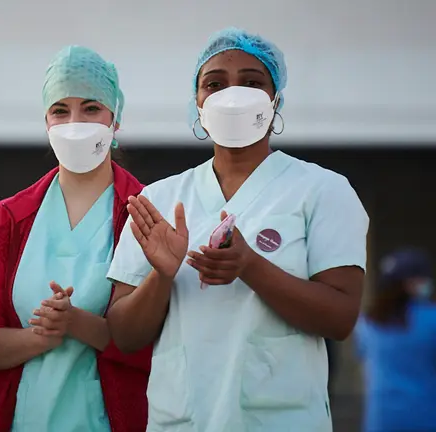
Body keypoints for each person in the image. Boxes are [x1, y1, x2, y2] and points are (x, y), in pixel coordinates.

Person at [105, 28, 369, 431]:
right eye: (215, 84)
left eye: (251, 82)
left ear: (275, 98)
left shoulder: (323, 191)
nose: (232, 94)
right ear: (197, 103)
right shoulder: (158, 200)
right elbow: (123, 334)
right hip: (181, 420)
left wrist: (251, 266)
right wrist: (162, 274)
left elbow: (340, 318)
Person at [0, 46, 151, 432]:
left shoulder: (145, 216)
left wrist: (77, 323)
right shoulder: (6, 221)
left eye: (91, 108)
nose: (75, 123)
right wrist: (40, 337)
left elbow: (159, 345)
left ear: (115, 118)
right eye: (60, 110)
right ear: (45, 120)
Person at [355, 248, 436, 432]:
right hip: (426, 417)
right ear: (411, 283)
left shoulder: (367, 324)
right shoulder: (432, 318)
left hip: (381, 419)